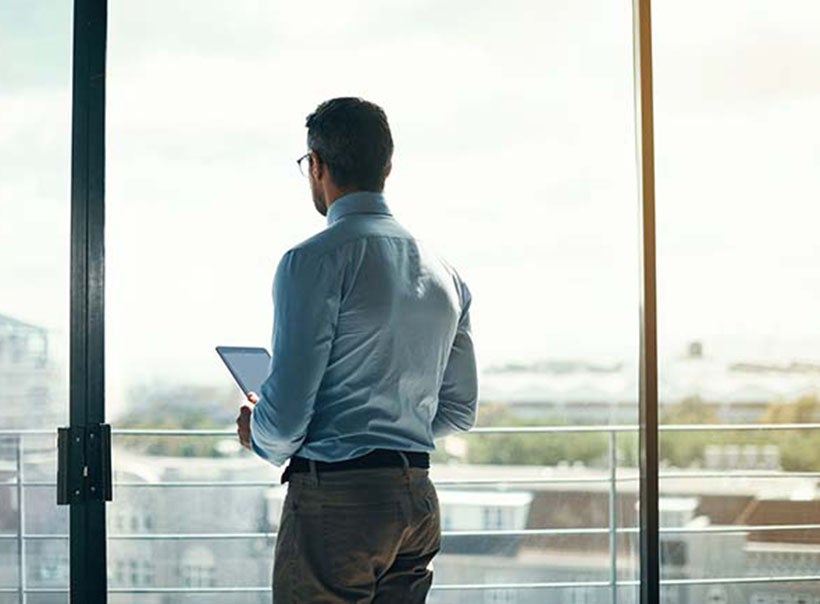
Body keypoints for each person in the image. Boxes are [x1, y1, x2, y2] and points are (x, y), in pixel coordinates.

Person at [235, 97, 478, 603]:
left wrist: (257, 432)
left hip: (338, 505)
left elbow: (283, 425)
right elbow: (458, 411)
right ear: (387, 165)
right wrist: (390, 428)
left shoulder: (312, 261)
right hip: (416, 501)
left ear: (317, 166)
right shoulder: (446, 274)